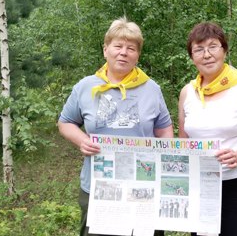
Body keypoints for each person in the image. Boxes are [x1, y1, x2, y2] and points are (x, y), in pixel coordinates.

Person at [58, 16, 173, 236]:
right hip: (99, 188)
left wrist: (165, 156)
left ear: (137, 55)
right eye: (118, 46)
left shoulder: (152, 89)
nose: (124, 52)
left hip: (144, 188)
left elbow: (164, 128)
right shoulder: (85, 86)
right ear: (105, 50)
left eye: (131, 48)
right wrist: (82, 141)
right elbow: (65, 122)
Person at [178, 22, 237, 236]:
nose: (206, 54)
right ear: (192, 57)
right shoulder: (187, 93)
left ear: (224, 50)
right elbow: (184, 141)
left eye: (213, 46)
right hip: (202, 186)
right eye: (199, 49)